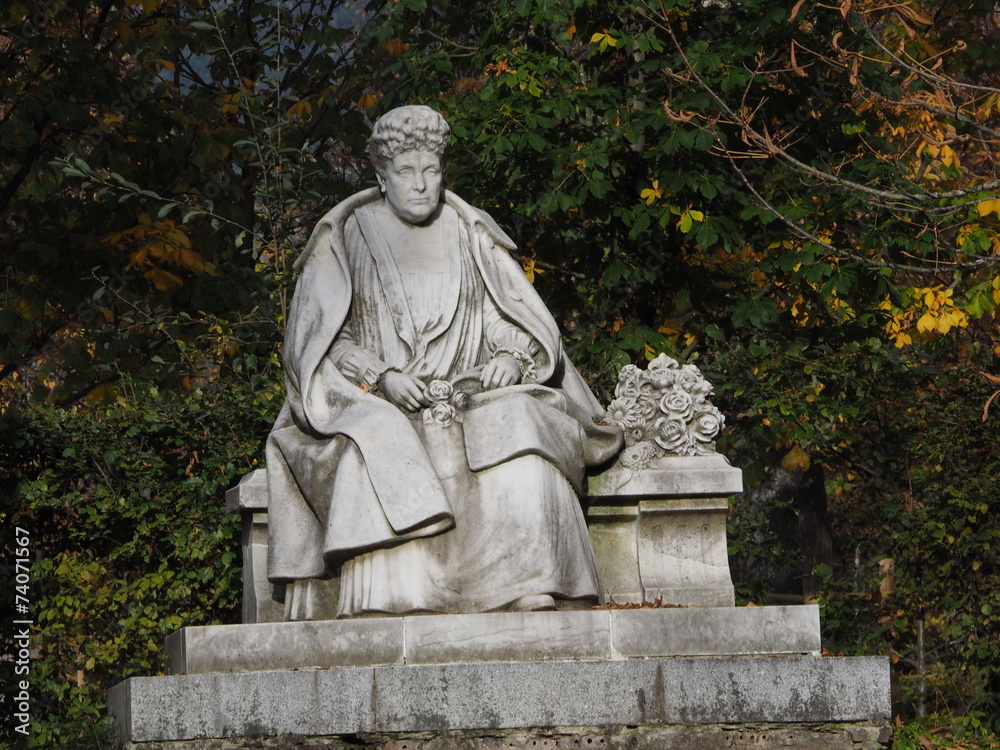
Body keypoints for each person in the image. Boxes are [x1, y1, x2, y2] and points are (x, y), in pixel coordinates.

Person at [265, 105, 622, 618]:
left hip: (470, 393)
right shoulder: (347, 237)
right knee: (373, 443)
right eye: (406, 173)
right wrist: (380, 377)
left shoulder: (467, 231)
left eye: (431, 171)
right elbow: (321, 344)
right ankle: (394, 595)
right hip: (377, 401)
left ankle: (531, 581)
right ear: (381, 177)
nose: (420, 185)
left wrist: (510, 357)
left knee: (523, 427)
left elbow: (500, 314)